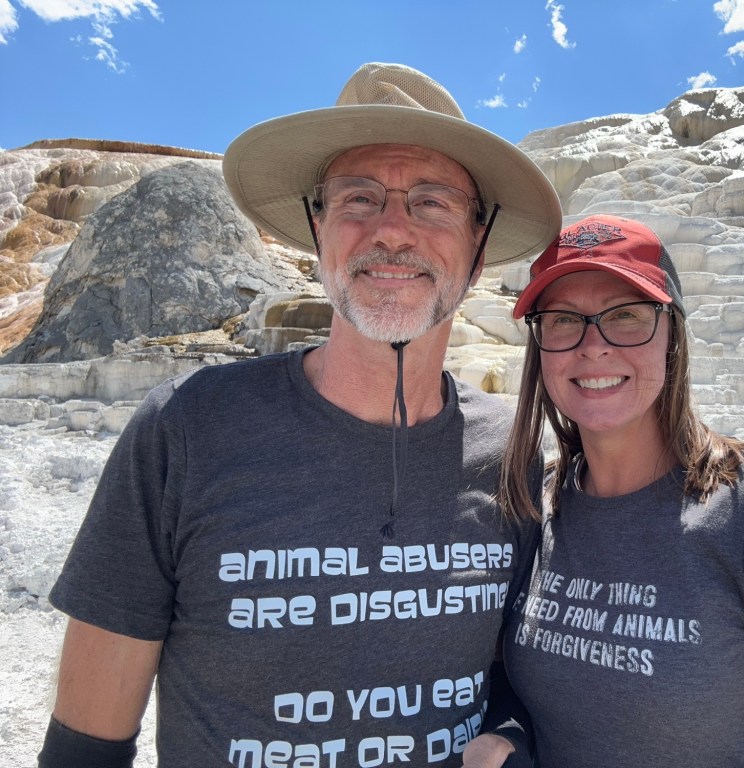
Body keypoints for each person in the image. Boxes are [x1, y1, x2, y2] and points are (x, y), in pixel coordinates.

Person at [38, 62, 561, 768]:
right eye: (359, 199)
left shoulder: (512, 453)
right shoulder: (185, 431)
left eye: (433, 202)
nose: (394, 232)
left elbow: (516, 669)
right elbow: (85, 745)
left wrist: (512, 733)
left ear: (479, 243)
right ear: (317, 229)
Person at [493, 214, 744, 767]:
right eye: (565, 320)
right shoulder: (538, 505)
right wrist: (511, 739)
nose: (593, 346)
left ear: (672, 336)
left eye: (627, 316)